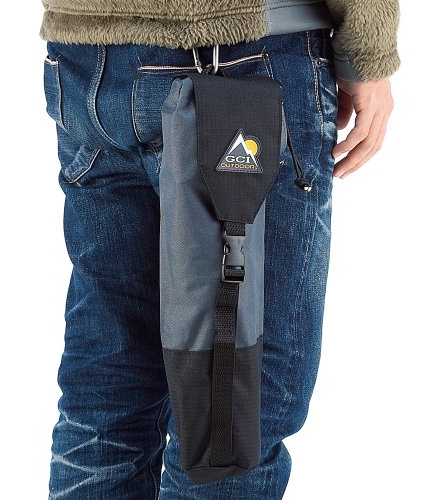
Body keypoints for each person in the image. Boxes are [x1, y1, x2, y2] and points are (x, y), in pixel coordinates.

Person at [40, 1, 400, 498]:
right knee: (235, 413)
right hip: (242, 54)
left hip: (88, 63)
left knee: (110, 383)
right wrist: (369, 53)